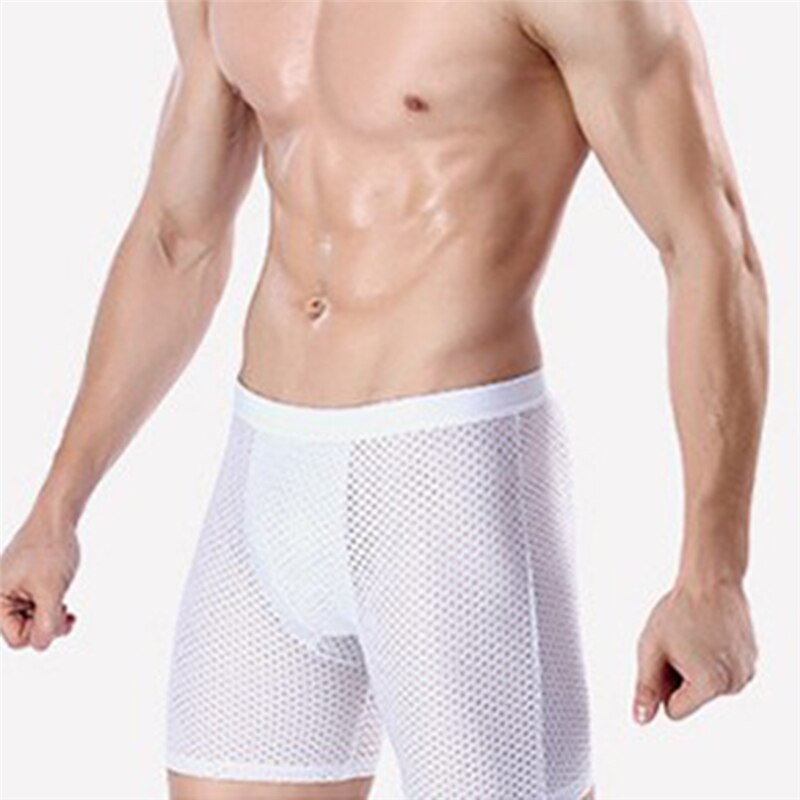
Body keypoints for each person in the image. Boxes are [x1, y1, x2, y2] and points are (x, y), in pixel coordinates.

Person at [0, 1, 767, 799]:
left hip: (450, 475)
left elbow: (710, 248)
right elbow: (176, 237)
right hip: (266, 474)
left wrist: (714, 573)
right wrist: (58, 506)